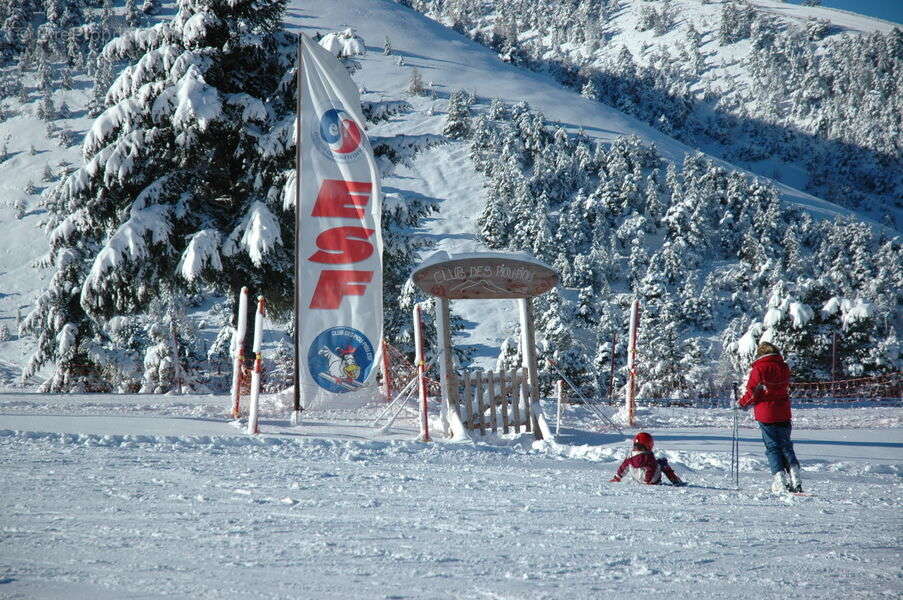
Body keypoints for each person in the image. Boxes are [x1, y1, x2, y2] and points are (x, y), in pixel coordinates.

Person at [738, 342, 802, 494]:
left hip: (766, 413)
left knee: (772, 447)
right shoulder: (784, 367)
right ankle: (795, 475)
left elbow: (753, 393)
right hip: (784, 411)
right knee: (786, 445)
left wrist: (741, 404)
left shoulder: (758, 369)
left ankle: (779, 480)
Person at [609, 432, 686, 486]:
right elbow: (651, 468)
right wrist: (647, 481)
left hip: (637, 479)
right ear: (649, 444)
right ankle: (676, 481)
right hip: (649, 481)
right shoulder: (648, 456)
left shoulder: (630, 455)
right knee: (662, 462)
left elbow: (623, 466)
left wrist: (617, 477)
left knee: (628, 463)